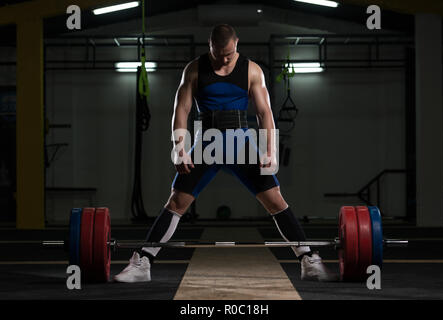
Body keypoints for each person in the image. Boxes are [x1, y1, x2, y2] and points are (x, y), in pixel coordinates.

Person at [114, 24, 337, 283]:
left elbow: (265, 112)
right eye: (218, 54)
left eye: (229, 54)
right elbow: (181, 110)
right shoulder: (195, 69)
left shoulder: (251, 70)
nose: (224, 60)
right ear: (210, 46)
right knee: (176, 203)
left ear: (237, 44)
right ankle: (142, 264)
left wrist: (270, 151)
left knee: (275, 200)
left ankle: (308, 260)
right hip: (208, 142)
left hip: (240, 143)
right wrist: (179, 148)